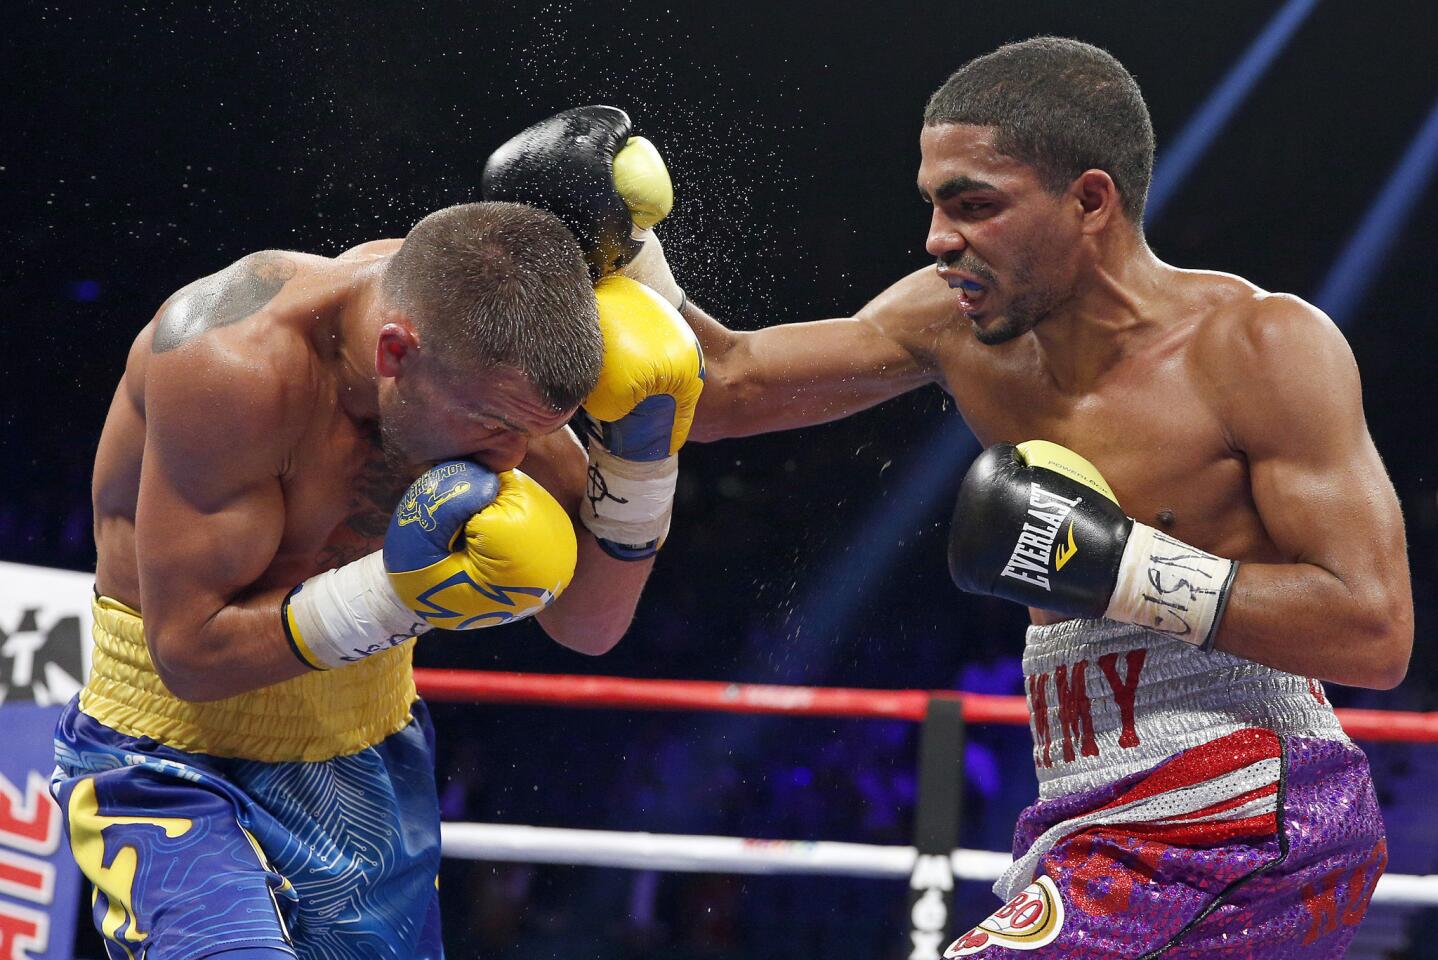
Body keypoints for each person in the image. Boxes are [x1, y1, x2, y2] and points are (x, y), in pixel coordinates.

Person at [482, 37, 1412, 958]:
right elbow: (725, 388)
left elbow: (1373, 632)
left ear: (1090, 201)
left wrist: (1122, 567)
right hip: (1091, 813)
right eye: (934, 204)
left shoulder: (1260, 346)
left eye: (976, 206)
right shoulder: (954, 323)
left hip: (1253, 806)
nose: (938, 239)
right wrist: (621, 250)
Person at [51, 200, 704, 959]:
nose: (511, 458)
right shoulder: (232, 362)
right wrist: (397, 597)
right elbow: (187, 654)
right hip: (173, 754)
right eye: (496, 426)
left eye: (533, 429)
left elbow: (590, 626)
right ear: (395, 354)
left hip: (365, 747)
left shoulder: (490, 383)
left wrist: (641, 471)